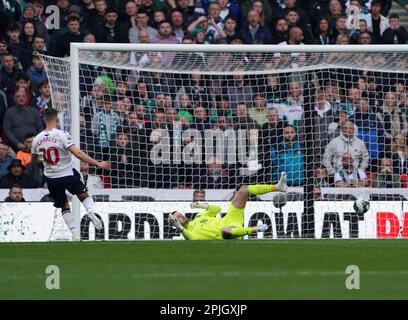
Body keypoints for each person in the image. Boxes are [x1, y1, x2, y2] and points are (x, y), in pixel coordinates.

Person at [31, 108, 111, 240]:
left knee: (64, 205)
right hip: (67, 174)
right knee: (84, 195)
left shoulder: (36, 139)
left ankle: (74, 232)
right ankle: (90, 212)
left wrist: (46, 159)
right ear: (56, 119)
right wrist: (98, 163)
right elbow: (78, 153)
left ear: (44, 119)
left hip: (51, 178)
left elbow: (33, 160)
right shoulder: (62, 134)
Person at [168, 172, 288, 240]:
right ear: (175, 223)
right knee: (224, 231)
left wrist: (200, 205)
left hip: (230, 217)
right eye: (178, 217)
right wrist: (180, 227)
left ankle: (277, 187)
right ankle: (255, 229)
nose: (181, 216)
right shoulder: (191, 233)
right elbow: (191, 239)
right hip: (229, 231)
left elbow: (218, 209)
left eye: (180, 214)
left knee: (243, 190)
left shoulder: (199, 216)